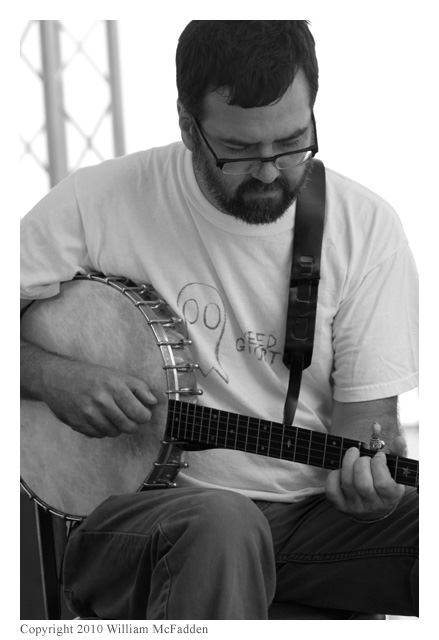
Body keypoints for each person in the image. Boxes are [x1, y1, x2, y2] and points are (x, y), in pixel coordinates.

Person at [20, 21, 418, 620]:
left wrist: (372, 485)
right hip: (142, 520)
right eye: (239, 151)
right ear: (188, 126)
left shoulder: (364, 228)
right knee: (224, 523)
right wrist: (53, 376)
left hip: (308, 521)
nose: (269, 171)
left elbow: (367, 428)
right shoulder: (96, 201)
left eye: (292, 142)